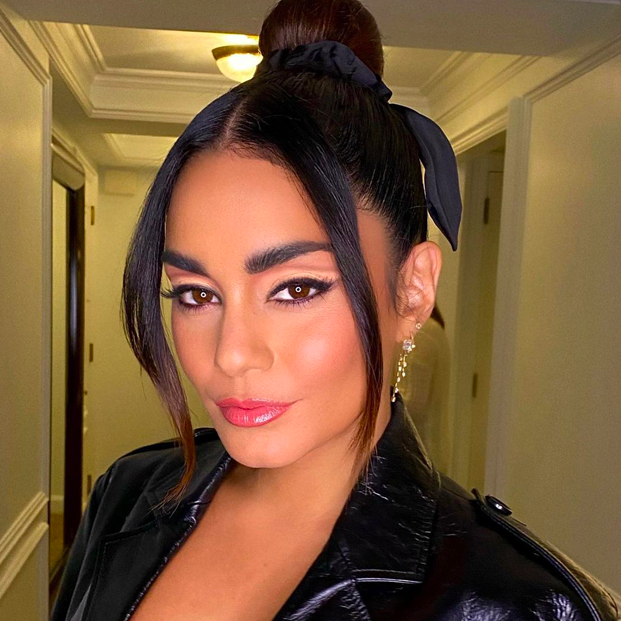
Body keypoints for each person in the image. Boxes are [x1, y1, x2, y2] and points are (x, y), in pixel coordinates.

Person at [51, 1, 618, 620]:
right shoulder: (127, 494)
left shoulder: (519, 606)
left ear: (412, 290)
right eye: (196, 293)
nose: (231, 354)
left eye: (296, 289)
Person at [395, 305, 453, 474]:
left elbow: (411, 401)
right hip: (422, 456)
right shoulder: (428, 329)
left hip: (415, 460)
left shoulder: (419, 332)